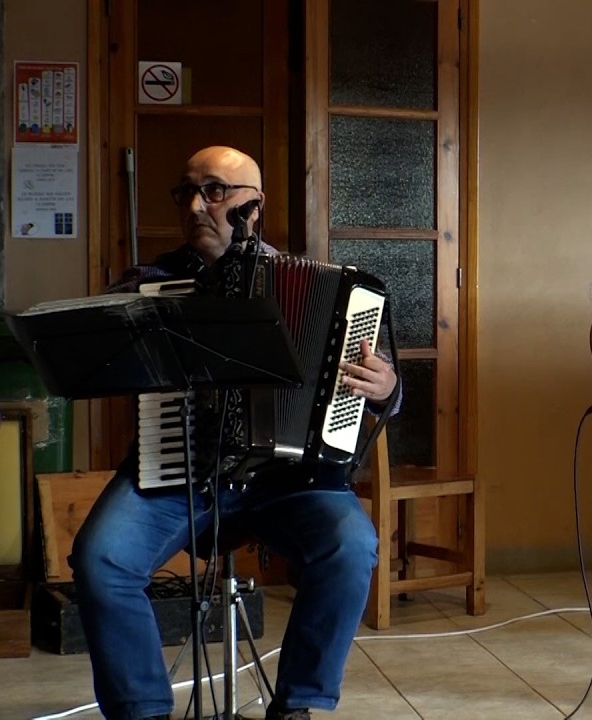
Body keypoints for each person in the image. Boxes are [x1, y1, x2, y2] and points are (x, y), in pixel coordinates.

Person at [69, 146, 401, 720]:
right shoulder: (153, 284)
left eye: (216, 191)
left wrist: (386, 385)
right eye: (187, 193)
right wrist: (122, 333)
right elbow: (100, 364)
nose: (198, 205)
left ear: (255, 206)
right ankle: (143, 709)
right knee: (100, 556)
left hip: (292, 478)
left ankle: (297, 703)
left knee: (352, 545)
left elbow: (387, 393)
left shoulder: (326, 289)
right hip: (180, 472)